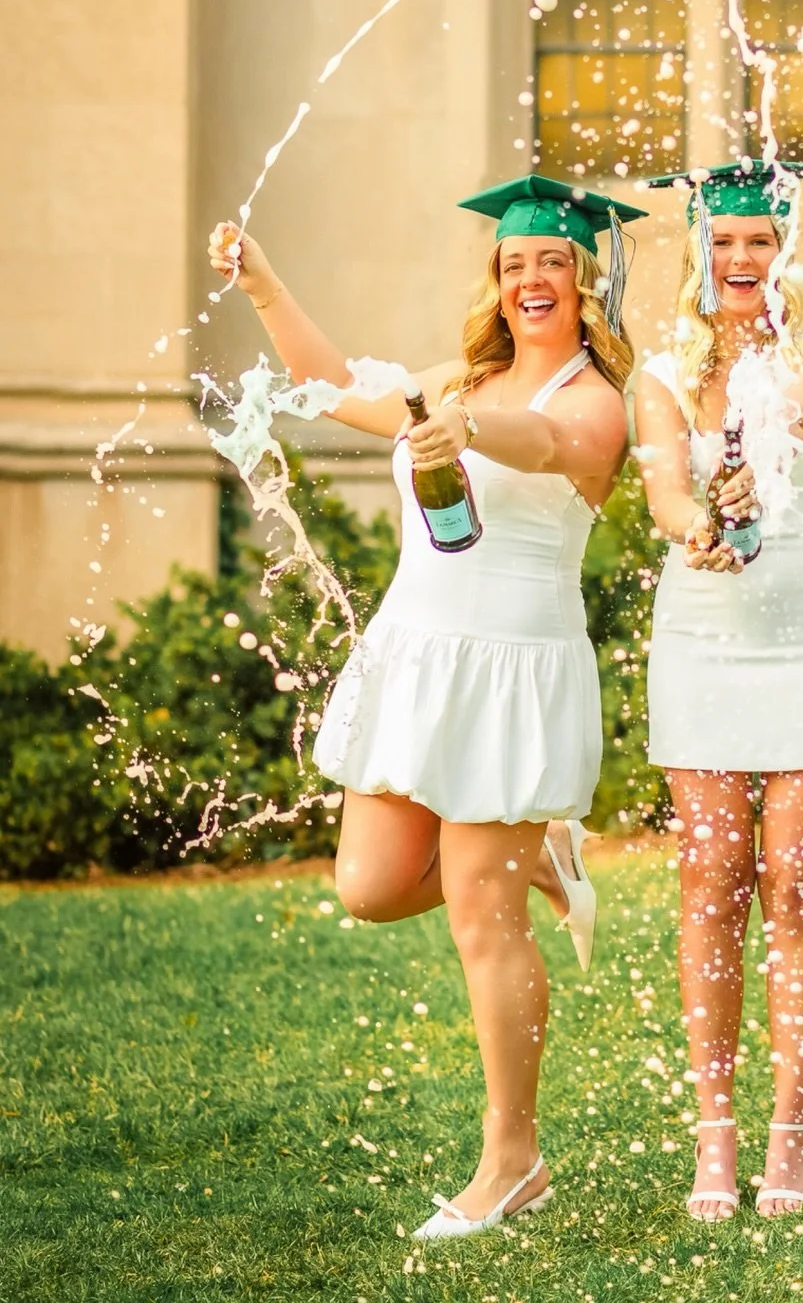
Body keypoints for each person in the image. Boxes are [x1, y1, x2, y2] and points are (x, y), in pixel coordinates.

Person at [205, 174, 645, 1240]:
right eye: (514, 264)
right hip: (418, 658)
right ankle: (536, 851)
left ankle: (513, 1162)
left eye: (553, 263)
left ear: (588, 282)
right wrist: (263, 286)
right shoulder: (460, 378)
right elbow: (331, 383)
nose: (532, 278)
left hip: (512, 672)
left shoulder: (594, 403)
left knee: (477, 921)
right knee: (366, 886)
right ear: (496, 286)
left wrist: (465, 430)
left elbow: (541, 448)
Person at [634, 162, 803, 1221]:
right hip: (703, 637)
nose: (741, 260)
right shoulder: (659, 376)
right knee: (712, 876)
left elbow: (801, 420)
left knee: (800, 873)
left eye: (760, 241)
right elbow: (660, 490)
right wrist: (699, 525)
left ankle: (791, 1132)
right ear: (698, 252)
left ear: (786, 252)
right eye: (724, 242)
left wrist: (750, 474)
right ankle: (717, 1138)